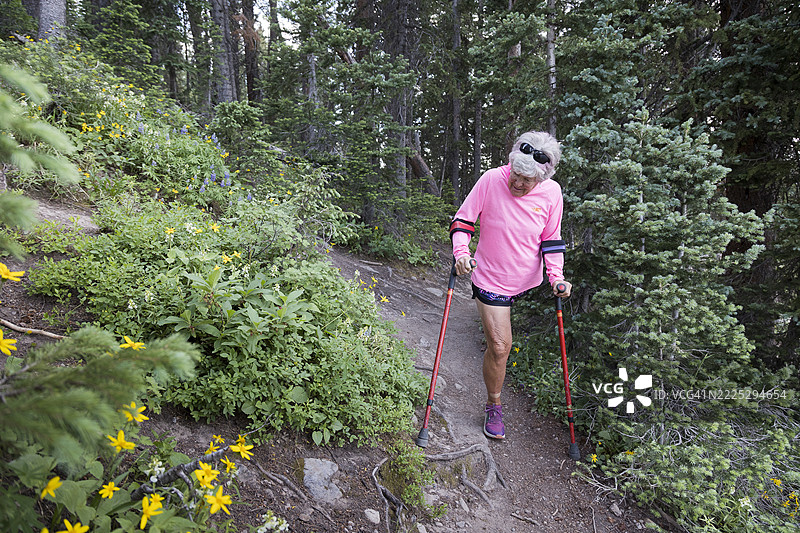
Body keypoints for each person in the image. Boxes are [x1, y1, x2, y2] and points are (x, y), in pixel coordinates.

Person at [450, 131, 572, 439]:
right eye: (515, 175)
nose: (516, 183)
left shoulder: (552, 193)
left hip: (529, 280)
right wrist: (461, 253)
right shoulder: (492, 179)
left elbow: (551, 238)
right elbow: (463, 222)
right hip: (492, 278)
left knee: (503, 345)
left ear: (542, 179)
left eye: (525, 181)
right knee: (501, 347)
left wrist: (556, 276)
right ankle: (494, 404)